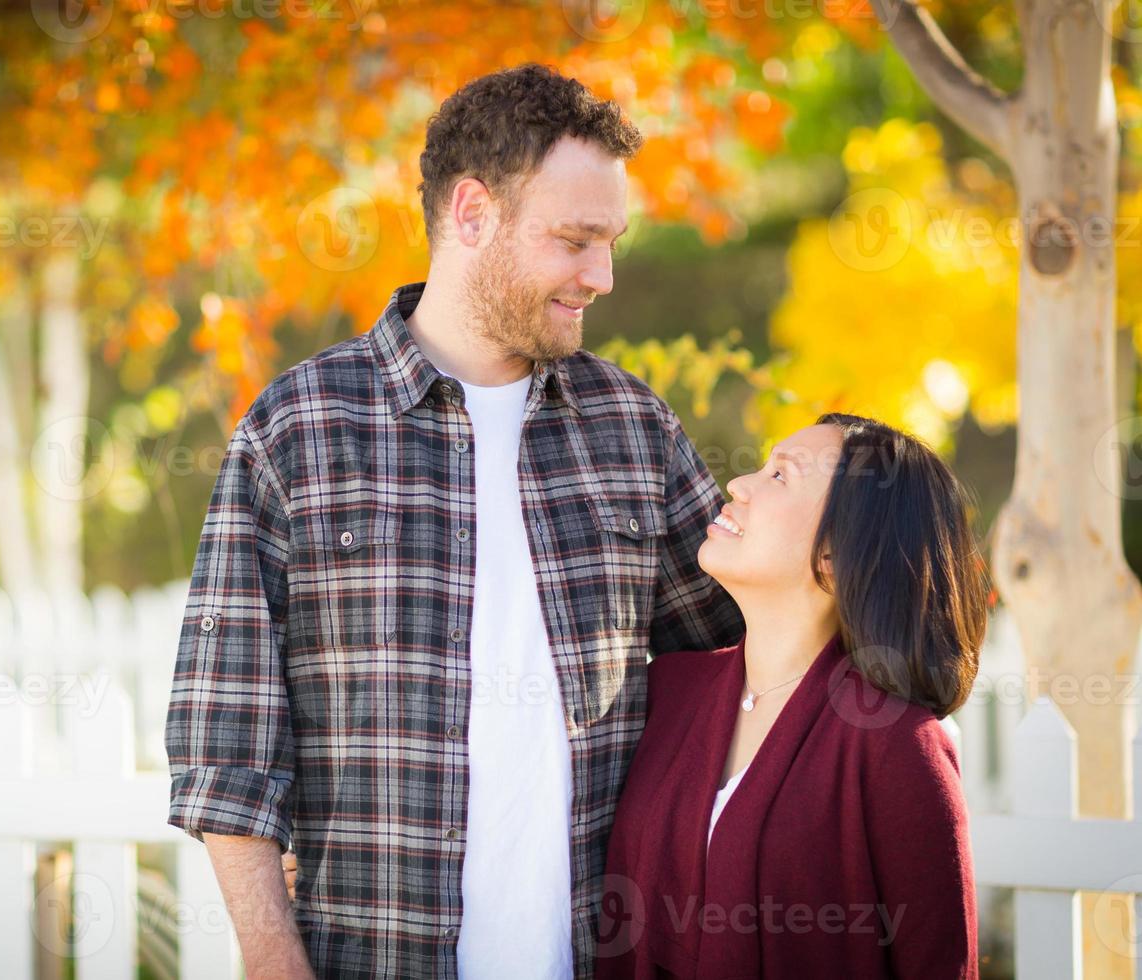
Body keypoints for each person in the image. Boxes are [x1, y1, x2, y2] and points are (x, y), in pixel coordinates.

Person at [165, 62, 744, 980]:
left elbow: (738, 659)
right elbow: (224, 744)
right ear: (472, 213)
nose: (601, 276)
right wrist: (275, 963)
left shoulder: (633, 430)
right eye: (574, 241)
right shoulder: (298, 430)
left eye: (611, 243)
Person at [595, 414, 985, 978]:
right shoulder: (668, 693)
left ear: (836, 553)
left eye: (780, 475)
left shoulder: (898, 748)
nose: (739, 485)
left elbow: (939, 964)